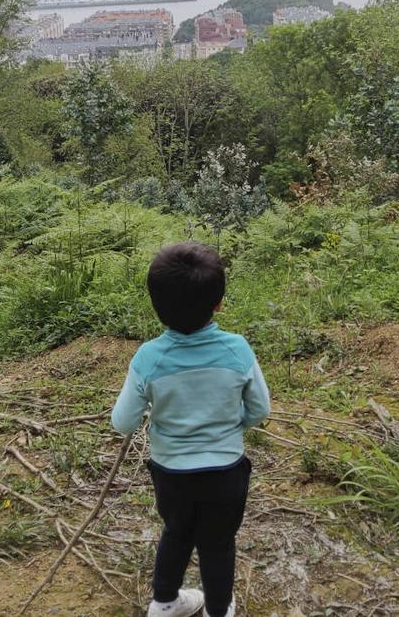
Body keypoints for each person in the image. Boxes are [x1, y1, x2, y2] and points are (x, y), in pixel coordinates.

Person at [112, 242, 270, 617]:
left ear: (156, 306)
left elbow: (123, 421)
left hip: (172, 475)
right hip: (225, 473)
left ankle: (165, 603)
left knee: (177, 533)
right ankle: (218, 611)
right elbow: (260, 409)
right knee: (218, 544)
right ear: (218, 303)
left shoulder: (149, 358)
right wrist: (233, 426)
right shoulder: (238, 350)